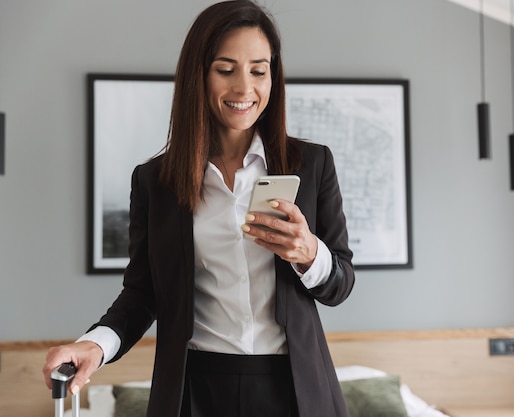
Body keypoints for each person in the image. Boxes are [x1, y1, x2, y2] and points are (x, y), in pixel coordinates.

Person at [42, 1, 355, 416]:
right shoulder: (155, 182)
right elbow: (142, 294)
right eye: (226, 70)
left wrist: (310, 254)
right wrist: (95, 346)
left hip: (295, 388)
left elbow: (341, 284)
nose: (245, 89)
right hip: (195, 390)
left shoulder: (313, 165)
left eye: (259, 70)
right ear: (198, 75)